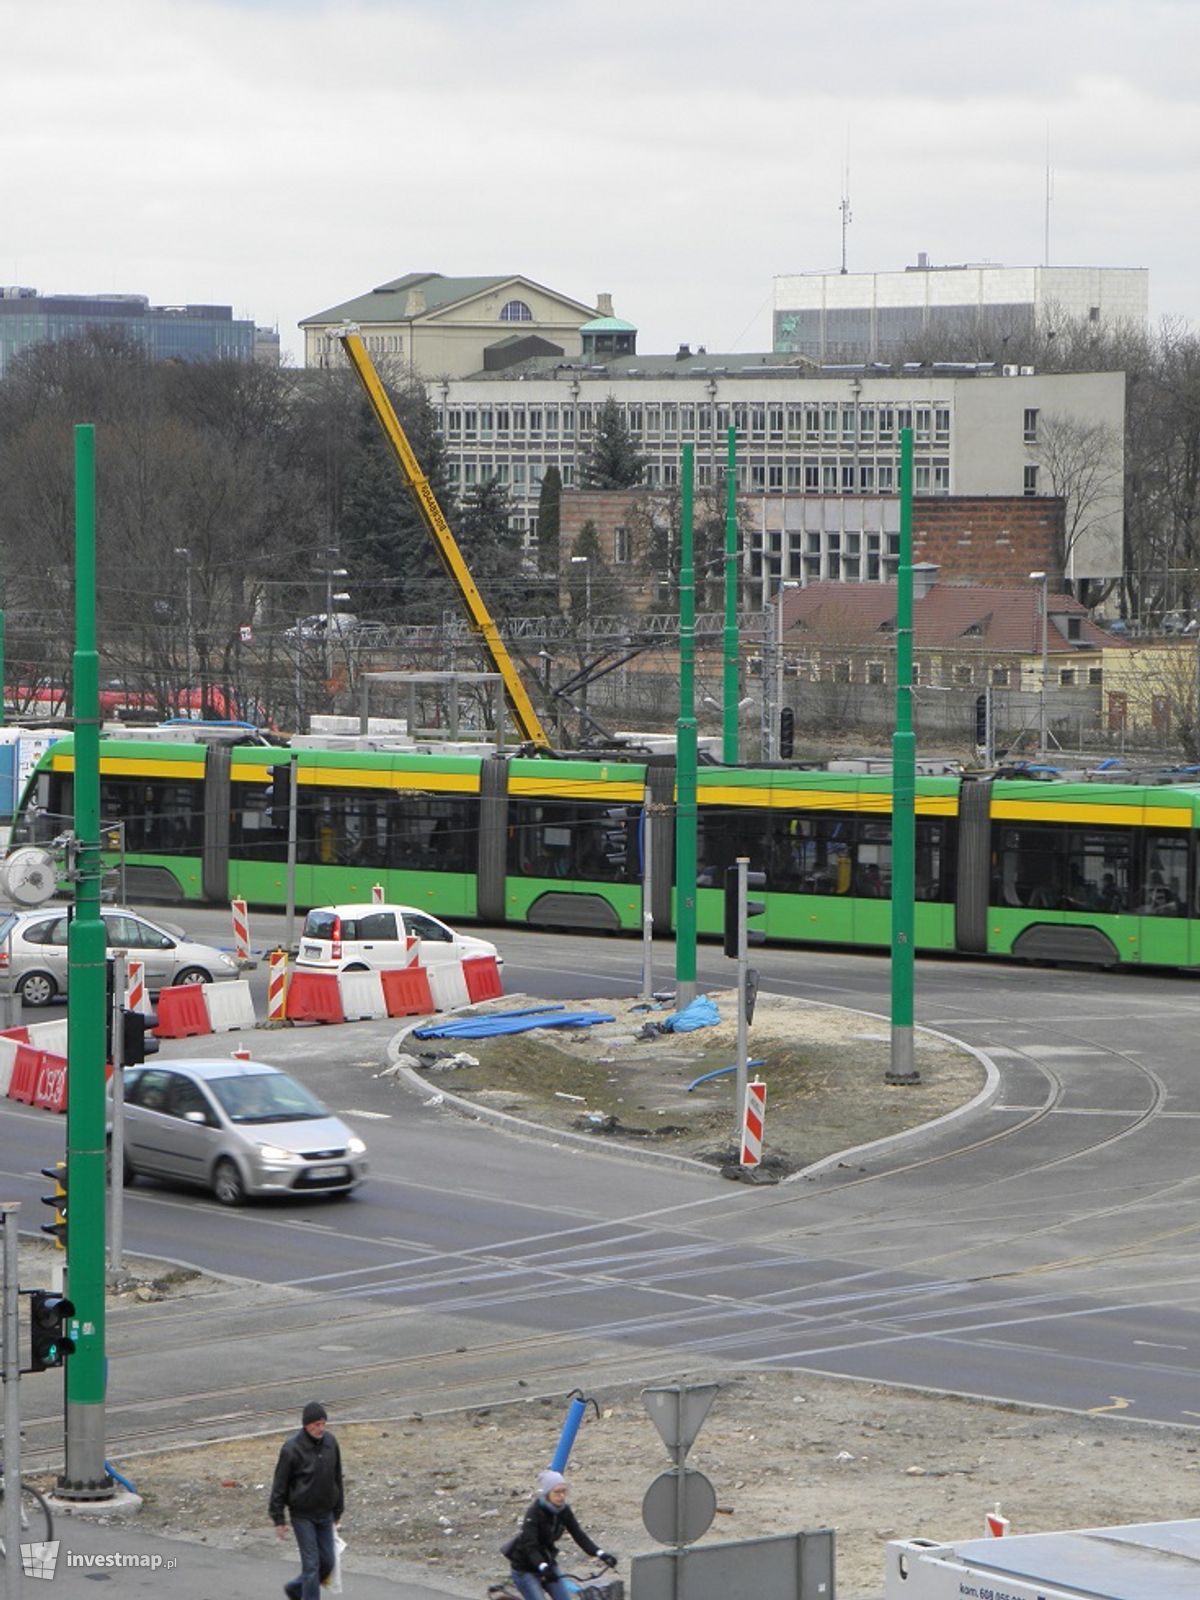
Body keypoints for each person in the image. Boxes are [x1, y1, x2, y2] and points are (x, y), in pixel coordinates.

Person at [503, 1470, 617, 1600]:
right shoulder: (534, 1513)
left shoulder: (564, 1511)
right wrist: (543, 1567)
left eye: (564, 1491)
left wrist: (601, 1554)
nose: (561, 1496)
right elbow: (530, 1547)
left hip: (548, 1564)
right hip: (526, 1569)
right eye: (557, 1492)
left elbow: (579, 1535)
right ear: (547, 1494)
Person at [270, 1401, 344, 1600]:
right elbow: (279, 1485)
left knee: (327, 1562)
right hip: (303, 1516)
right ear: (306, 1425)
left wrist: (338, 1512)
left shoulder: (331, 1443)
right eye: (316, 1424)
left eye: (323, 1424)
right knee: (312, 1566)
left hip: (325, 1514)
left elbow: (337, 1477)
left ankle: (296, 1588)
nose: (321, 1428)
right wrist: (278, 1519)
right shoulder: (291, 1449)